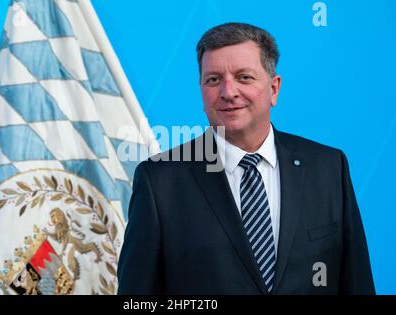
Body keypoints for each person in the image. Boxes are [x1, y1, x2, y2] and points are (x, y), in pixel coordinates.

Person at [117, 23, 375, 294]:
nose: (228, 92)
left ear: (274, 89)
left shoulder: (328, 167)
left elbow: (356, 283)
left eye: (244, 77)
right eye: (213, 80)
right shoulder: (160, 180)